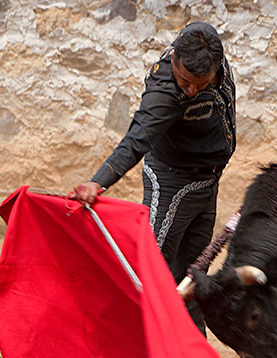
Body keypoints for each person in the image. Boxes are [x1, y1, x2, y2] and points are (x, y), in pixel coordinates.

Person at [74, 22, 236, 335]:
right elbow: (136, 139)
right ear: (174, 59)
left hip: (206, 186)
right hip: (173, 186)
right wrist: (98, 181)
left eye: (200, 85)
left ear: (218, 65)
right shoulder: (165, 91)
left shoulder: (208, 51)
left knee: (191, 278)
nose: (190, 90)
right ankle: (119, 350)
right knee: (148, 275)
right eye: (185, 81)